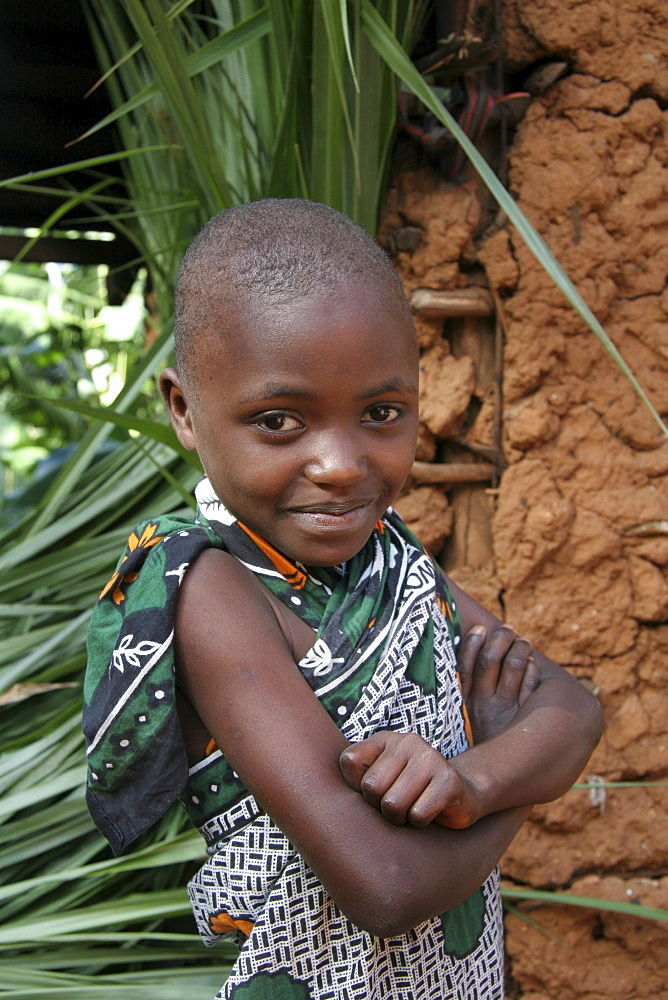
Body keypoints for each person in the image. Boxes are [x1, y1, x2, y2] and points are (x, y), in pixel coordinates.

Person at [83, 199, 603, 1000]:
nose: (339, 464)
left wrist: (474, 784)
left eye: (381, 414)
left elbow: (575, 709)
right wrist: (512, 780)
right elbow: (385, 886)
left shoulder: (386, 554)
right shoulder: (213, 592)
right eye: (280, 420)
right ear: (184, 409)